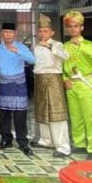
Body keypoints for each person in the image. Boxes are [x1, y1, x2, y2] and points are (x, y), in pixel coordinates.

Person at [62, 10, 92, 160]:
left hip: (86, 82)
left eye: (75, 26)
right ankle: (79, 144)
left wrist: (81, 45)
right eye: (70, 26)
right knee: (75, 116)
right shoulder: (64, 46)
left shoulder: (89, 45)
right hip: (71, 84)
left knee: (91, 117)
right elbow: (60, 65)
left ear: (81, 28)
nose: (72, 29)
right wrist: (64, 78)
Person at [0, 22, 36, 155]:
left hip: (18, 84)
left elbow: (33, 60)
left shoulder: (21, 47)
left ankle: (22, 142)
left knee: (20, 113)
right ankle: (6, 139)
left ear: (15, 33)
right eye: (5, 32)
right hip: (3, 83)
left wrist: (19, 52)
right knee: (3, 113)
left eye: (10, 32)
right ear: (1, 34)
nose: (7, 35)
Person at [31, 14, 71, 158]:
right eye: (40, 31)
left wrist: (49, 45)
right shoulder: (36, 47)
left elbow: (65, 56)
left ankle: (63, 146)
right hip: (40, 79)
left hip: (53, 80)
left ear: (52, 32)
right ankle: (46, 140)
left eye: (46, 31)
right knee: (42, 109)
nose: (43, 34)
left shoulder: (57, 44)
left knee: (56, 112)